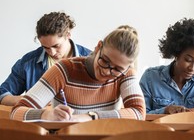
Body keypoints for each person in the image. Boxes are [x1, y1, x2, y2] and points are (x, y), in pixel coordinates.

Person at [11, 25, 145, 121]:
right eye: (104, 60)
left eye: (117, 69)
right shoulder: (64, 69)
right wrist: (46, 115)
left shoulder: (126, 74)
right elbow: (16, 112)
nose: (106, 71)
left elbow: (139, 113)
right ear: (98, 46)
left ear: (126, 68)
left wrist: (91, 117)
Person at [140, 18, 194, 114]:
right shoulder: (150, 77)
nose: (192, 68)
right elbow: (141, 116)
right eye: (188, 60)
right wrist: (165, 111)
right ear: (176, 54)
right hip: (161, 129)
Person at [0, 11, 91, 106]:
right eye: (45, 47)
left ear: (68, 35)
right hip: (40, 119)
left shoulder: (90, 61)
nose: (52, 52)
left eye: (56, 46)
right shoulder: (28, 63)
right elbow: (3, 94)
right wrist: (28, 100)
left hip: (81, 120)